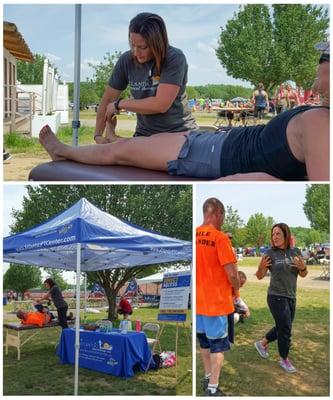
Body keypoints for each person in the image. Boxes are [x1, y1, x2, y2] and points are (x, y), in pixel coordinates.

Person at [39, 43, 329, 181]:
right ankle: (72, 149)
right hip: (216, 142)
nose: (320, 60)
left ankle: (63, 151)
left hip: (211, 153)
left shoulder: (320, 123)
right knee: (126, 147)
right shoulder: (320, 117)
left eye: (325, 56)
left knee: (124, 149)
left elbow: (313, 189)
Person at [93, 12, 197, 142]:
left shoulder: (174, 57)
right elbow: (108, 99)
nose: (136, 52)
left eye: (143, 47)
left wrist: (120, 104)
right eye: (132, 45)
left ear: (157, 43)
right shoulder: (126, 60)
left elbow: (160, 104)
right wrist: (97, 135)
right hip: (144, 135)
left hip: (179, 134)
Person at [196, 198, 240, 396]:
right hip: (216, 304)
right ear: (218, 213)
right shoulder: (220, 238)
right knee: (218, 347)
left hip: (198, 303)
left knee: (204, 343)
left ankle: (207, 378)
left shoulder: (194, 234)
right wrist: (237, 287)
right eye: (223, 216)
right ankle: (213, 388)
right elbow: (232, 274)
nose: (223, 220)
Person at [254, 223, 308, 373]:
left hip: (291, 296)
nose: (275, 237)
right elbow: (259, 276)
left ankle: (262, 343)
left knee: (283, 326)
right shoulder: (270, 253)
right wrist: (260, 266)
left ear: (285, 234)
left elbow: (303, 274)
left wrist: (302, 267)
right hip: (276, 296)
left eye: (278, 234)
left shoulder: (295, 252)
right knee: (286, 329)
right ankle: (284, 359)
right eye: (273, 234)